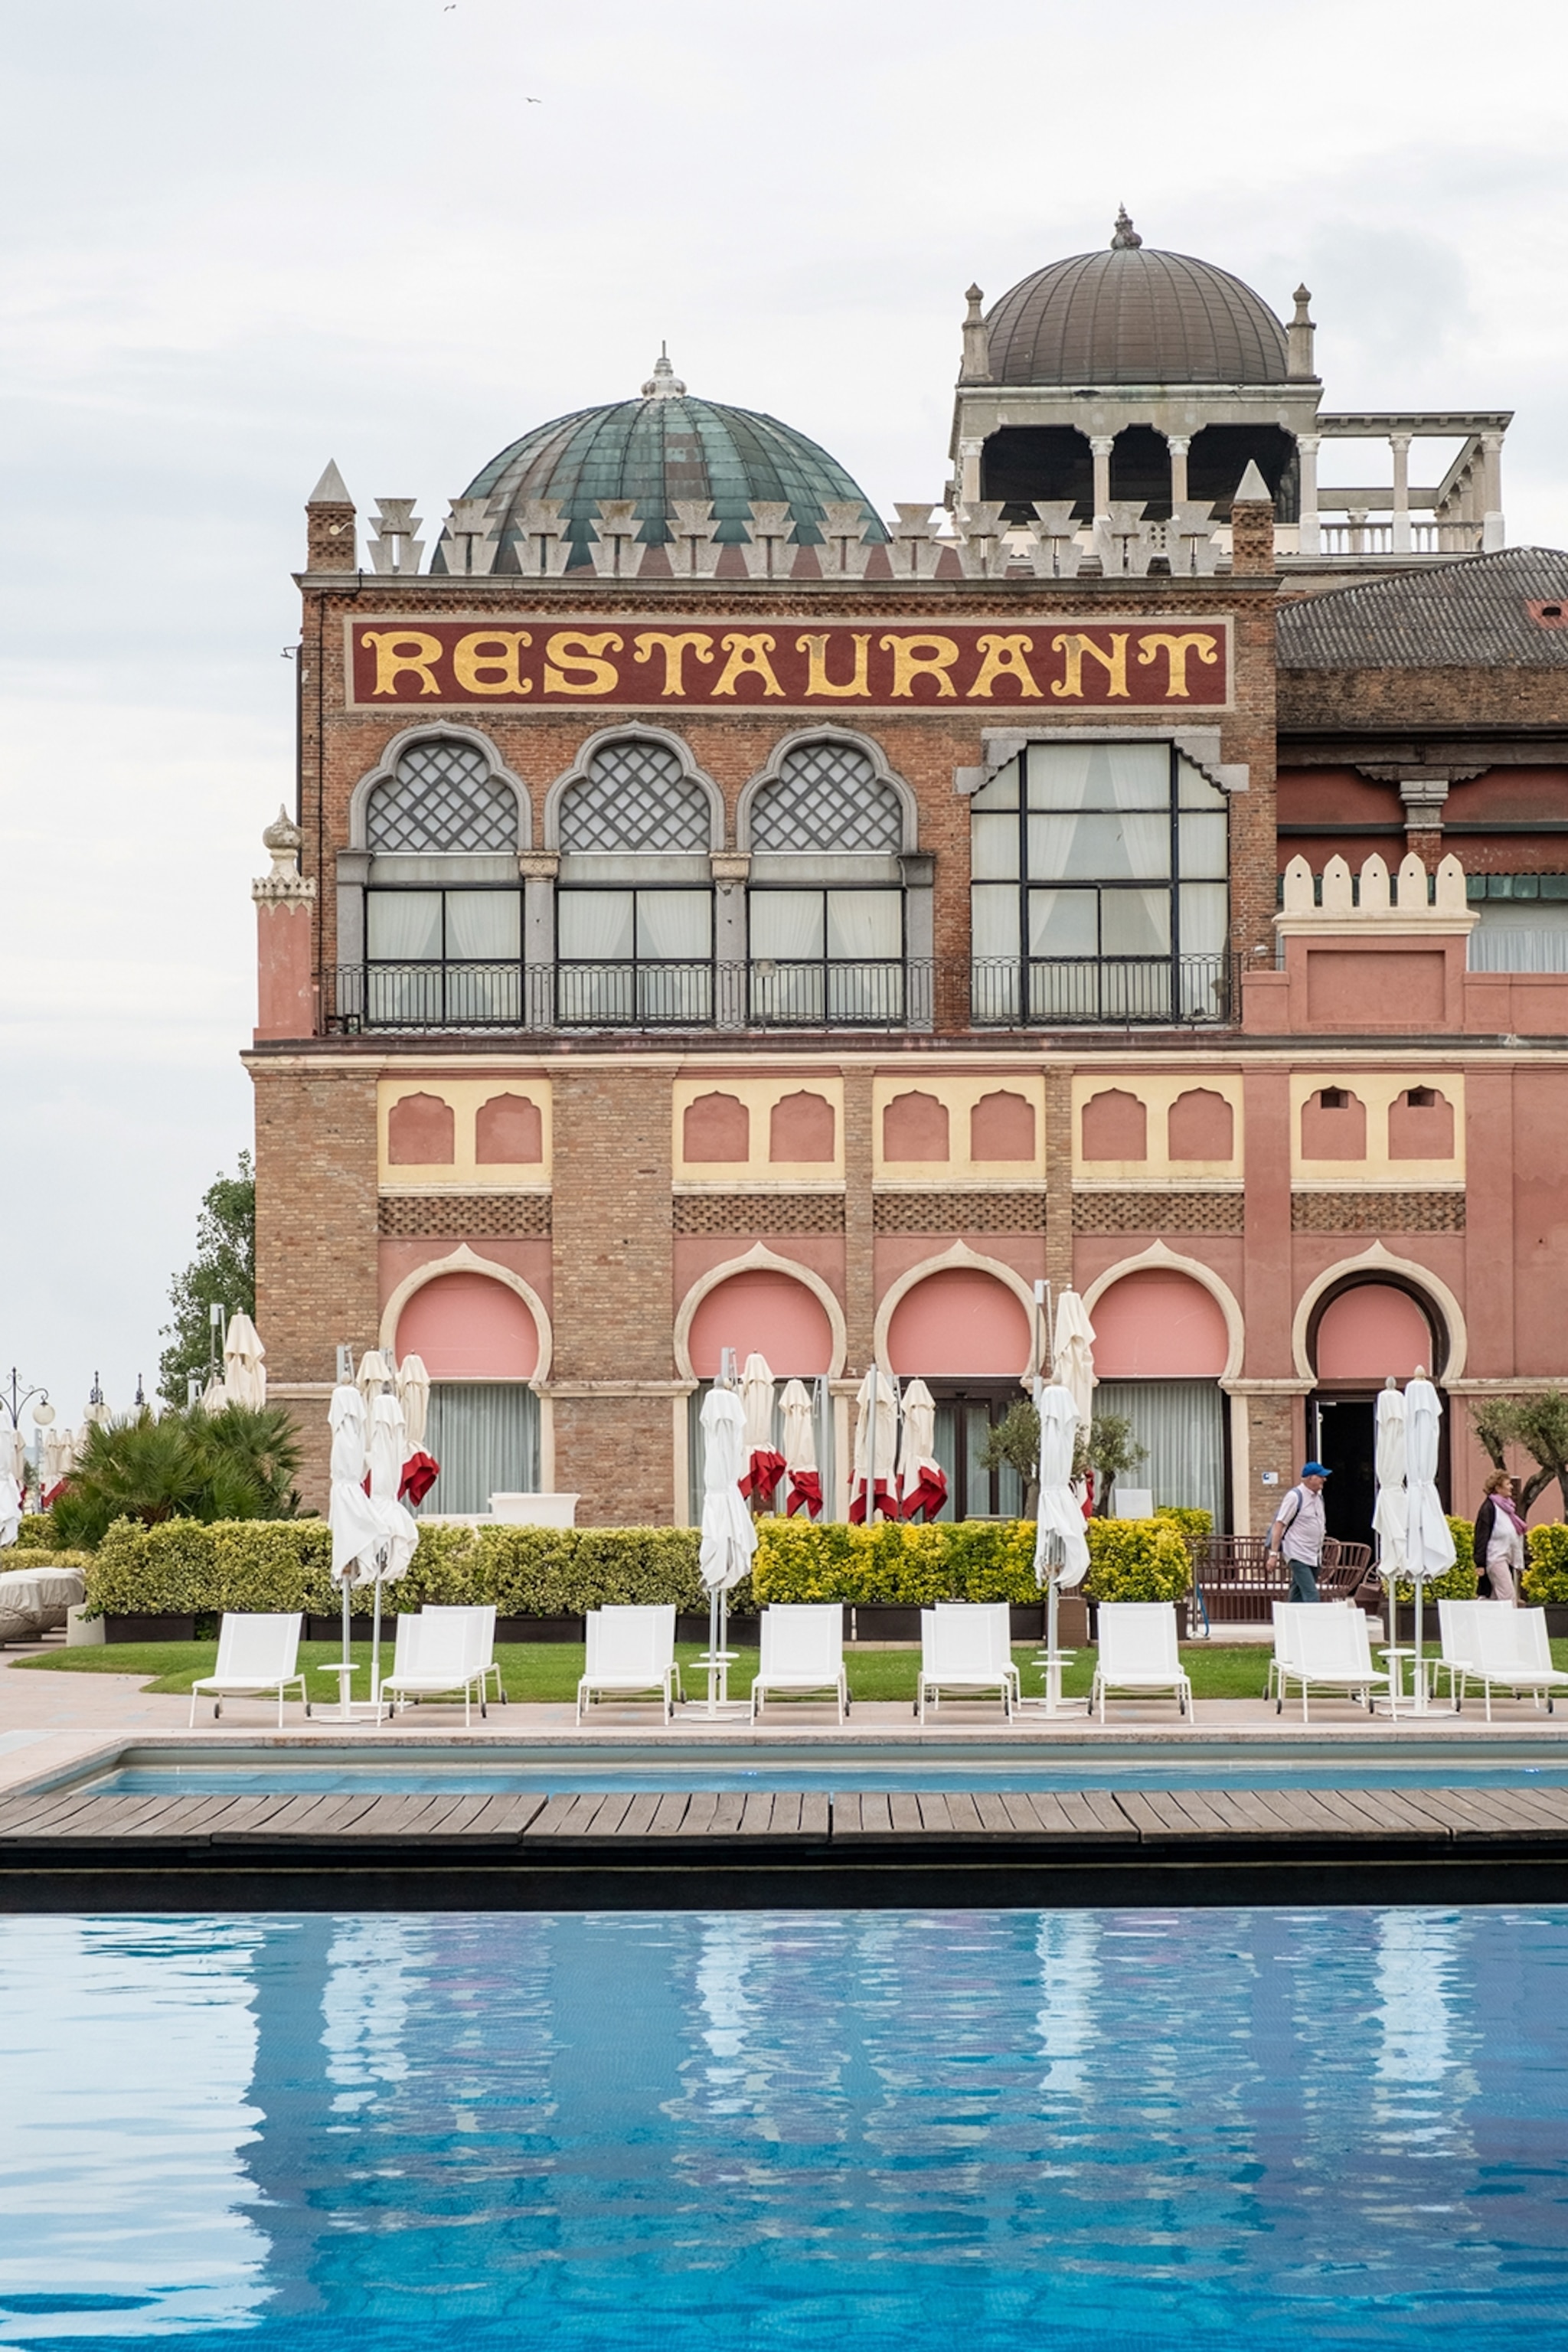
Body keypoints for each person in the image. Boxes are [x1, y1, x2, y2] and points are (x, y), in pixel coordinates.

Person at [1266, 1463, 1330, 1602]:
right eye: (1320, 1476)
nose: (1324, 1479)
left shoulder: (1319, 1498)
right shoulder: (1295, 1497)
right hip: (1297, 1553)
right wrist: (1273, 1554)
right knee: (1311, 1594)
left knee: (1297, 1593)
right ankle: (1314, 1622)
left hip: (1314, 1554)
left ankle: (1290, 1619)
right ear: (1309, 1479)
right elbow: (1279, 1525)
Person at [1472, 1470, 1525, 1606]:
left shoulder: (1506, 1508)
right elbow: (1481, 1536)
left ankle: (1488, 1623)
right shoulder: (1489, 1508)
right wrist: (1480, 1563)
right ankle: (1509, 1624)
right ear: (1498, 1488)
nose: (1511, 1487)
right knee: (1508, 1596)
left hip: (1505, 1558)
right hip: (1495, 1558)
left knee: (1495, 1597)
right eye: (1508, 1484)